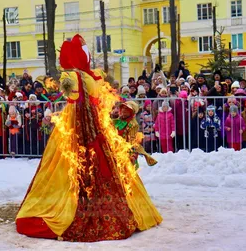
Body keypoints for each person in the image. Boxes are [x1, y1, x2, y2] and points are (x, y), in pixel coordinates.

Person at [16, 34, 162, 242]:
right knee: (103, 161)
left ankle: (73, 205)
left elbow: (67, 95)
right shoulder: (94, 76)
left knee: (67, 163)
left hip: (75, 121)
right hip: (94, 122)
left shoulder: (72, 76)